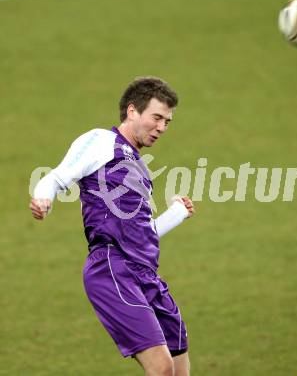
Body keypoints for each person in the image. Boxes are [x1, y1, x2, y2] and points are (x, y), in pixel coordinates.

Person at [29, 77, 195, 376]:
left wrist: (175, 214)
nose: (162, 128)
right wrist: (43, 199)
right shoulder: (101, 142)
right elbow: (55, 177)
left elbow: (141, 233)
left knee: (180, 368)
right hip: (112, 268)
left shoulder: (139, 167)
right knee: (161, 366)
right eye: (156, 118)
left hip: (146, 273)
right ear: (132, 111)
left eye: (167, 122)